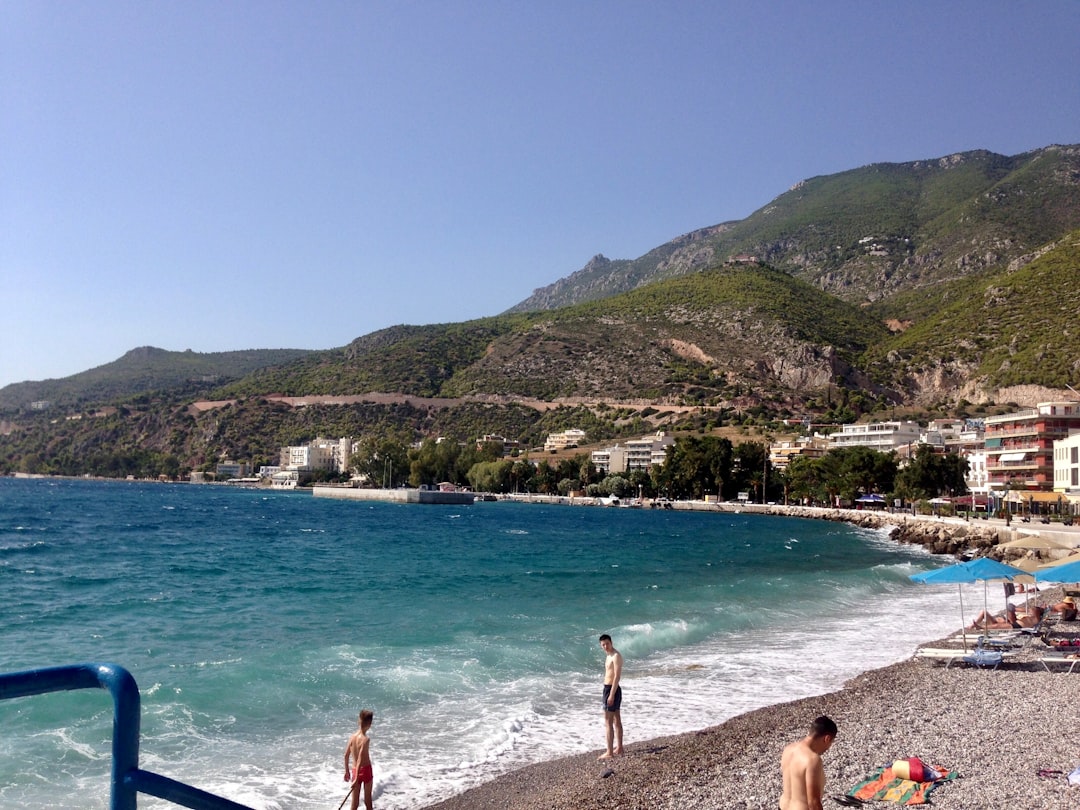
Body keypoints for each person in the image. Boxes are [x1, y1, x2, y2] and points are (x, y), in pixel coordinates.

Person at [780, 715, 837, 810]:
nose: (828, 748)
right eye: (830, 743)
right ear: (827, 738)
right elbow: (813, 803)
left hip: (782, 806)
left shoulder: (788, 749)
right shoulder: (812, 760)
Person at [598, 633, 623, 760]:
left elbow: (617, 676)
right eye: (603, 645)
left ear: (611, 642)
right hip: (609, 689)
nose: (605, 646)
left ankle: (609, 752)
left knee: (608, 721)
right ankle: (619, 747)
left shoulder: (616, 656)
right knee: (616, 719)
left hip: (612, 689)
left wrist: (611, 695)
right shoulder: (608, 656)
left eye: (607, 643)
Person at [344, 709, 374, 810]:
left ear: (359, 721)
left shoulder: (352, 737)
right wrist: (357, 778)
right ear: (369, 724)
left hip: (354, 770)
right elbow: (360, 759)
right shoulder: (365, 739)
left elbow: (346, 755)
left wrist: (347, 772)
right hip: (365, 770)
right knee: (367, 801)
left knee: (354, 803)